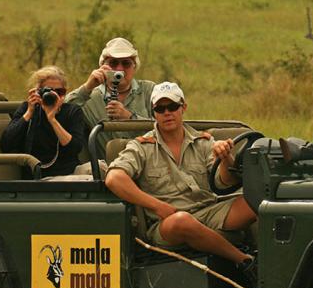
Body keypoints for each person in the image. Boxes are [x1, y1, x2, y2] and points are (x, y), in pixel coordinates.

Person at [105, 82, 257, 276]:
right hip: (168, 223)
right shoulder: (142, 146)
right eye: (160, 108)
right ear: (154, 113)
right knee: (182, 221)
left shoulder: (203, 142)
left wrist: (225, 157)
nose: (167, 113)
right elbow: (114, 178)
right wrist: (158, 206)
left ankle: (275, 264)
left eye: (173, 106)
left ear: (183, 107)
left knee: (258, 202)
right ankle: (245, 261)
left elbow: (223, 183)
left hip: (206, 211)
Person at [0, 66, 96, 179]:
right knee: (89, 180)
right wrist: (29, 113)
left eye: (60, 92)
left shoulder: (72, 111)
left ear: (65, 93)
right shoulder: (28, 109)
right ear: (38, 92)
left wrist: (52, 120)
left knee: (102, 168)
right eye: (48, 91)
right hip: (41, 176)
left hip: (71, 171)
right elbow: (6, 144)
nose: (54, 96)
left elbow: (75, 149)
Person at [64, 37, 156, 151]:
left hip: (146, 162)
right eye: (113, 63)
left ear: (134, 67)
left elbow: (165, 127)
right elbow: (63, 110)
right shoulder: (91, 97)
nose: (119, 69)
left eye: (126, 63)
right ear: (102, 66)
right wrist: (87, 86)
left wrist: (130, 117)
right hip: (106, 166)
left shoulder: (149, 90)